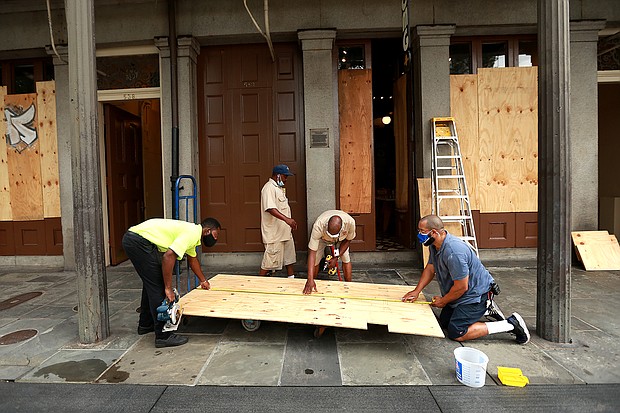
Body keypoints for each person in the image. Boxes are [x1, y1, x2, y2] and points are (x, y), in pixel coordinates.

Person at [402, 214, 530, 344]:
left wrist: (443, 301)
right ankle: (486, 309)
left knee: (457, 332)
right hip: (462, 293)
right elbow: (430, 268)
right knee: (445, 323)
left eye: (422, 231)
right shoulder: (435, 244)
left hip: (474, 294)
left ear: (434, 232)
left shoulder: (454, 252)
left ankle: (511, 323)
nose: (419, 234)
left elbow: (462, 287)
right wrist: (416, 291)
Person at [122, 217, 221, 348]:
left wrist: (203, 280)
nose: (216, 238)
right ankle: (163, 336)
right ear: (207, 230)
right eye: (216, 234)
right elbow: (168, 256)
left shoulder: (192, 234)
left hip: (136, 239)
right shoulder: (191, 233)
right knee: (158, 286)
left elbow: (193, 260)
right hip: (138, 241)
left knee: (151, 283)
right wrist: (168, 288)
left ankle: (145, 324)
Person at [303, 210, 356, 295]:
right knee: (315, 260)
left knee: (346, 258)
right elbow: (312, 252)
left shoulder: (350, 223)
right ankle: (312, 282)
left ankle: (348, 285)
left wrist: (336, 258)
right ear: (326, 226)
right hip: (322, 239)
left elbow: (348, 240)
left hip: (341, 240)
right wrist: (309, 279)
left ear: (342, 228)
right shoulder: (318, 225)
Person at [259, 164, 298, 278]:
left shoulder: (279, 188)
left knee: (289, 258)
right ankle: (257, 283)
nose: (286, 179)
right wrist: (287, 220)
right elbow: (270, 208)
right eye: (285, 177)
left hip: (285, 232)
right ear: (278, 176)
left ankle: (291, 279)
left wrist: (289, 223)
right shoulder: (268, 188)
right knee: (269, 262)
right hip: (274, 234)